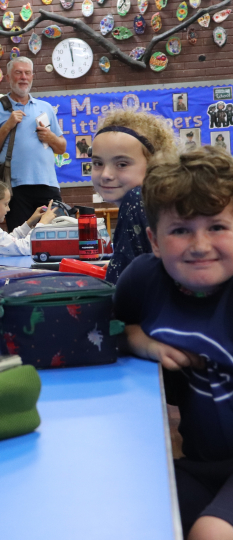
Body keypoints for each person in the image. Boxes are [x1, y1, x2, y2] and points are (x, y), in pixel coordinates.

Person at [113, 146, 233, 540]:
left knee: (210, 531)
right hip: (203, 464)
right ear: (155, 240)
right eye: (181, 230)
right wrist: (140, 341)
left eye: (217, 227)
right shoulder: (145, 280)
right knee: (130, 510)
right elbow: (111, 327)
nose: (199, 245)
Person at [90, 108, 177, 284]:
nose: (106, 174)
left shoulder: (136, 199)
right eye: (98, 163)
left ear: (154, 164)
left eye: (121, 164)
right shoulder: (157, 201)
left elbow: (119, 289)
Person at [0, 57, 67, 231]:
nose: (23, 77)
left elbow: (62, 147)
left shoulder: (46, 108)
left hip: (48, 185)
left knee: (54, 236)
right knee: (21, 240)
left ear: (33, 76)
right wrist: (7, 126)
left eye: (27, 73)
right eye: (18, 73)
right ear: (8, 77)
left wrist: (50, 137)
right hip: (15, 189)